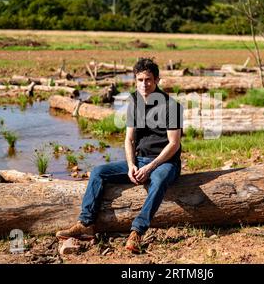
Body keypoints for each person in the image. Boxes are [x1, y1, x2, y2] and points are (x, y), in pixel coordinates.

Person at [56, 58, 183, 253]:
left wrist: (150, 168)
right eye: (139, 79)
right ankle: (86, 223)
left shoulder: (171, 106)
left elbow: (174, 144)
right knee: (98, 171)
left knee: (158, 179)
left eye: (148, 79)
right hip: (140, 160)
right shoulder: (134, 101)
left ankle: (137, 231)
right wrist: (132, 165)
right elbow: (129, 139)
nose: (144, 84)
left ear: (157, 79)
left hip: (165, 163)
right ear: (135, 80)